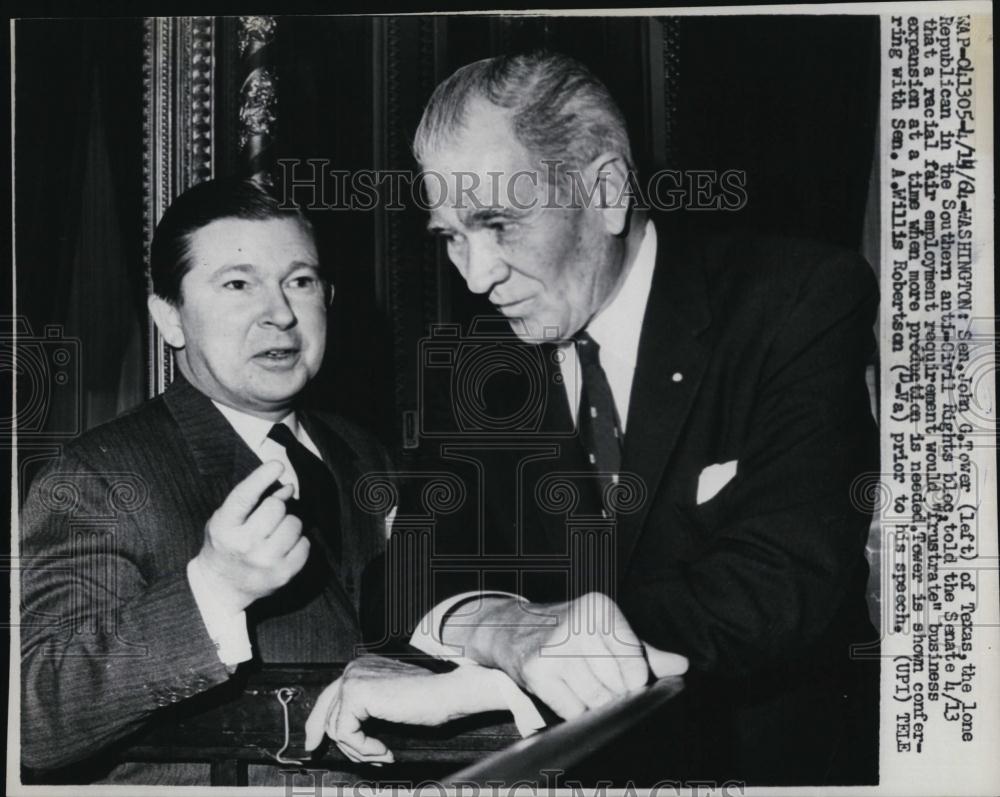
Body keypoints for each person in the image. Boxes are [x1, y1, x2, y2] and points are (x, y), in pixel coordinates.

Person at [309, 52, 880, 786]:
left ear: (607, 191)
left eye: (497, 223)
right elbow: (404, 580)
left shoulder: (795, 304)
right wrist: (511, 633)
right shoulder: (482, 364)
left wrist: (525, 656)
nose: (476, 276)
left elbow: (778, 586)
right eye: (449, 235)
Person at [19, 178, 393, 785]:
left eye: (299, 281)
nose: (280, 313)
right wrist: (212, 592)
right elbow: (35, 720)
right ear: (170, 318)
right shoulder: (99, 477)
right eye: (239, 284)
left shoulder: (365, 453)